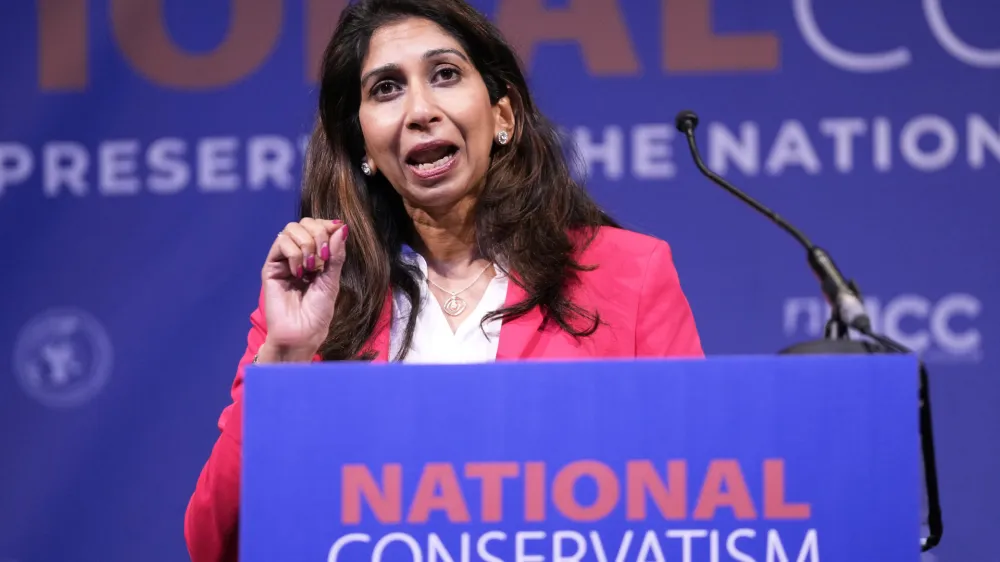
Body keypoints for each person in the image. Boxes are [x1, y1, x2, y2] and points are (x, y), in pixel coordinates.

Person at [183, 0, 704, 559]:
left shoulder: (628, 272)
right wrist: (284, 362)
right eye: (385, 89)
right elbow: (219, 542)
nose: (419, 110)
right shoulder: (319, 304)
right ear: (363, 145)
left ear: (503, 116)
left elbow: (696, 497)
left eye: (445, 75)